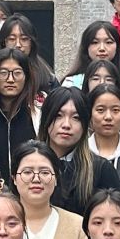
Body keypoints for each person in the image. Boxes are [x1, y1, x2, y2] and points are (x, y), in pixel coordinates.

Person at [0, 141, 84, 239]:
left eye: (45, 172)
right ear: (14, 179)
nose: (36, 179)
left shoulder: (77, 227)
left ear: (56, 179)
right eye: (27, 172)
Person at [0, 48, 42, 183]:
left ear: (26, 76)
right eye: (3, 73)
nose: (10, 79)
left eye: (17, 73)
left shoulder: (37, 114)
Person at [37, 85, 95, 214]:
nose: (66, 125)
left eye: (76, 117)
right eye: (58, 115)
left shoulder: (100, 169)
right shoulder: (27, 166)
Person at [62, 18, 120, 113]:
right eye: (95, 42)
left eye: (108, 42)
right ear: (86, 47)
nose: (102, 48)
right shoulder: (71, 84)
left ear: (117, 47)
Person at [82, 83, 120, 191]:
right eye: (100, 110)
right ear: (90, 114)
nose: (108, 117)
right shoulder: (79, 156)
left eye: (115, 110)